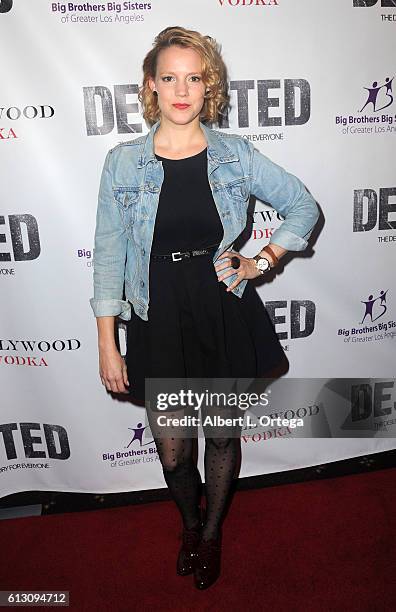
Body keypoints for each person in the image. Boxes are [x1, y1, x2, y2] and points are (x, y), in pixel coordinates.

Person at [90, 25, 320, 590]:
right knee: (174, 454)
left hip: (219, 308)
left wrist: (260, 259)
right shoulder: (123, 164)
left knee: (219, 436)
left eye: (194, 78)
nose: (182, 90)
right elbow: (108, 254)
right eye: (169, 77)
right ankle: (189, 524)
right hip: (156, 316)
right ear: (150, 84)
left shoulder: (234, 155)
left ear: (208, 84)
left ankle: (212, 531)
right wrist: (107, 342)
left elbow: (302, 207)